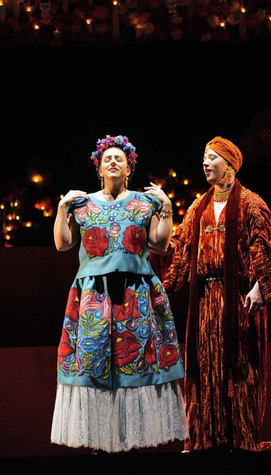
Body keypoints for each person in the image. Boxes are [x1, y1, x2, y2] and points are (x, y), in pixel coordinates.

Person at [50, 134, 189, 453]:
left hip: (136, 294)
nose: (113, 162)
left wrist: (166, 208)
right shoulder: (82, 203)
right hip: (94, 296)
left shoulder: (144, 202)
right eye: (107, 159)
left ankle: (130, 441)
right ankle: (101, 441)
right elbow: (62, 243)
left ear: (129, 169)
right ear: (98, 168)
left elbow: (161, 243)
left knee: (135, 360)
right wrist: (61, 207)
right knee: (96, 359)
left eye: (120, 159)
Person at [161, 136, 271, 452]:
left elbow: (265, 246)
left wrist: (260, 286)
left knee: (239, 369)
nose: (205, 162)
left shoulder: (250, 204)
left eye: (212, 157)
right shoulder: (196, 208)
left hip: (237, 301)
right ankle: (204, 440)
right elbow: (180, 250)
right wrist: (155, 240)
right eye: (204, 156)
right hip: (204, 303)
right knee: (203, 368)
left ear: (230, 164)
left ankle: (238, 440)